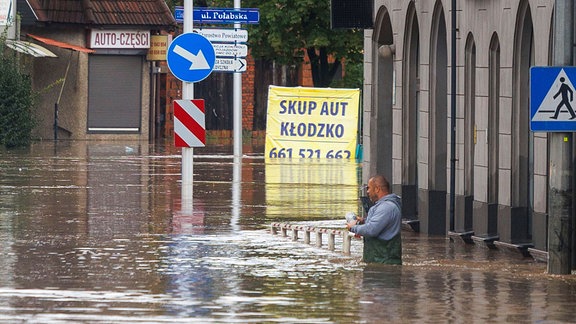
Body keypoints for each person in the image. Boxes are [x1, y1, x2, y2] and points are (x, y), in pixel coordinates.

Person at [346, 175, 402, 264]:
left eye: (369, 188)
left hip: (384, 265)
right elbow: (379, 225)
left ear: (377, 189)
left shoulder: (386, 207)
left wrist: (353, 227)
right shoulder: (384, 206)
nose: (367, 192)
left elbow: (371, 230)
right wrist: (364, 221)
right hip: (379, 262)